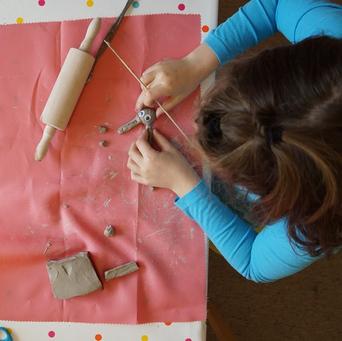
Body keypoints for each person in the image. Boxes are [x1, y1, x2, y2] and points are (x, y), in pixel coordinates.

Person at [127, 0, 342, 282]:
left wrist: (187, 185)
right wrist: (196, 63)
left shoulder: (319, 220)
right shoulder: (332, 56)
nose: (192, 125)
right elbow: (275, 4)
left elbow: (253, 263)